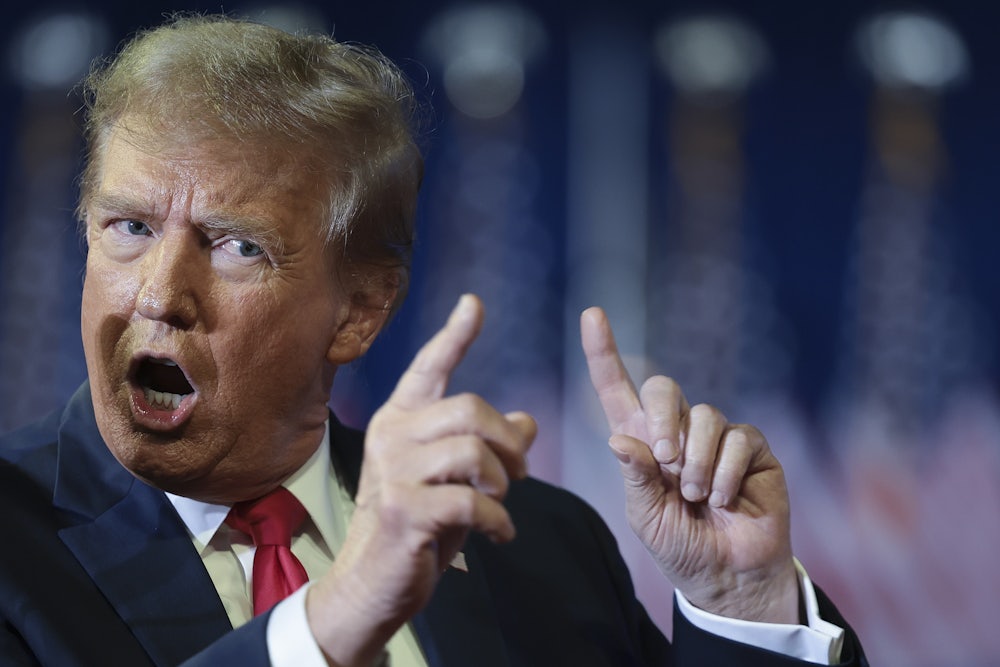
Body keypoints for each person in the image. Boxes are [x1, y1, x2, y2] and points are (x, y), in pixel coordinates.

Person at [0, 13, 866, 667]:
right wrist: (330, 619)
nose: (158, 293)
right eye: (127, 226)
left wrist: (739, 601)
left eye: (238, 245)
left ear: (360, 312)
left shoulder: (529, 542)